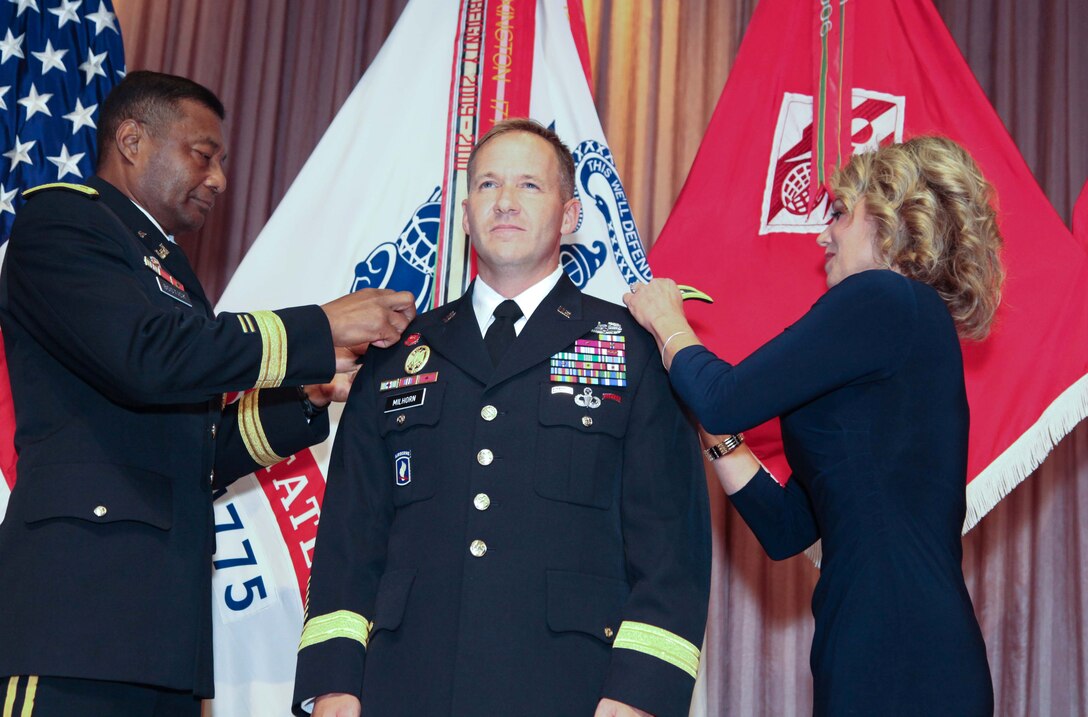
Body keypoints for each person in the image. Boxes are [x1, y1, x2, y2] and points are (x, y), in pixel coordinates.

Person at [0, 71, 416, 716]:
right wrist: (318, 324)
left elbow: (198, 454)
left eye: (221, 161)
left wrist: (302, 396)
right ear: (132, 140)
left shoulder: (169, 268)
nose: (219, 178)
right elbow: (146, 358)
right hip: (73, 616)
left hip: (164, 628)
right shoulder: (61, 224)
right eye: (203, 154)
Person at [293, 119, 711, 717]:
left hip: (573, 687)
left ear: (569, 217)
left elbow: (672, 550)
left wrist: (639, 697)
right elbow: (348, 541)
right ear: (466, 215)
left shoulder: (632, 350)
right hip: (407, 683)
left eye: (529, 187)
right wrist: (335, 684)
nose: (506, 202)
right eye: (488, 185)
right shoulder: (396, 353)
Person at [624, 136, 1001, 716]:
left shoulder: (884, 298)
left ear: (890, 218)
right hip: (876, 635)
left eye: (840, 213)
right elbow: (789, 529)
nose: (824, 234)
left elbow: (724, 397)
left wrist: (666, 319)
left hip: (898, 641)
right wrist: (715, 429)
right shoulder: (895, 330)